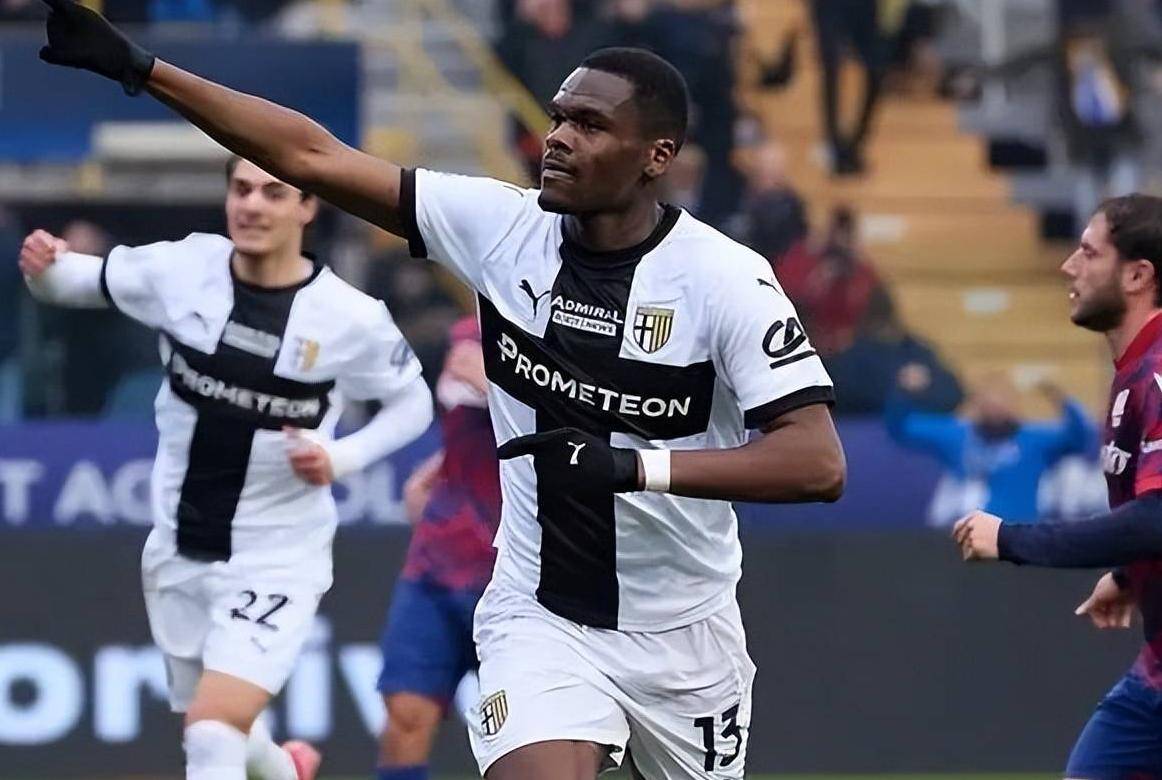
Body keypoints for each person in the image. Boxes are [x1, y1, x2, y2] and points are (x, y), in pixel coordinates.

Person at [35, 7, 846, 777]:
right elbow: (312, 156)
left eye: (590, 126)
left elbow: (816, 463)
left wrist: (634, 469)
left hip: (686, 635)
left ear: (657, 156)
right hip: (538, 614)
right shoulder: (500, 227)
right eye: (558, 118)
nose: (558, 138)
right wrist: (141, 68)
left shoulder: (725, 281)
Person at [18, 152, 434, 780]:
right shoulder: (183, 269)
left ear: (307, 207)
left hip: (277, 556)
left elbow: (412, 404)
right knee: (221, 728)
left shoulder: (350, 318)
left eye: (272, 193)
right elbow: (73, 282)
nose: (252, 205)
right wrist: (44, 265)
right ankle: (288, 771)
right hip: (178, 547)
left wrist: (341, 455)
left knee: (211, 733)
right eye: (241, 190)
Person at [955, 194, 1162, 777]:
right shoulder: (1135, 373)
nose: (1068, 266)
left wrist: (1010, 539)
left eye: (1089, 253)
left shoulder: (1157, 373)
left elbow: (1157, 517)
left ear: (1137, 276)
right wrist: (1129, 576)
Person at [375, 316, 501, 780]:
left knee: (531, 737)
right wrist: (439, 468)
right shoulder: (468, 331)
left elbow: (584, 431)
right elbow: (465, 420)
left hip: (519, 581)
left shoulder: (563, 332)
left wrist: (496, 386)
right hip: (436, 566)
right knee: (405, 717)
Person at [888, 368, 1093, 524]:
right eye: (988, 400)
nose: (995, 406)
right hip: (968, 541)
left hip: (1018, 537)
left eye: (1002, 400)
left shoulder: (1033, 440)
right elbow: (901, 429)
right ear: (976, 403)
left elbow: (1079, 437)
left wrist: (1057, 395)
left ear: (1014, 404)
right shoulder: (956, 436)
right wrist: (904, 391)